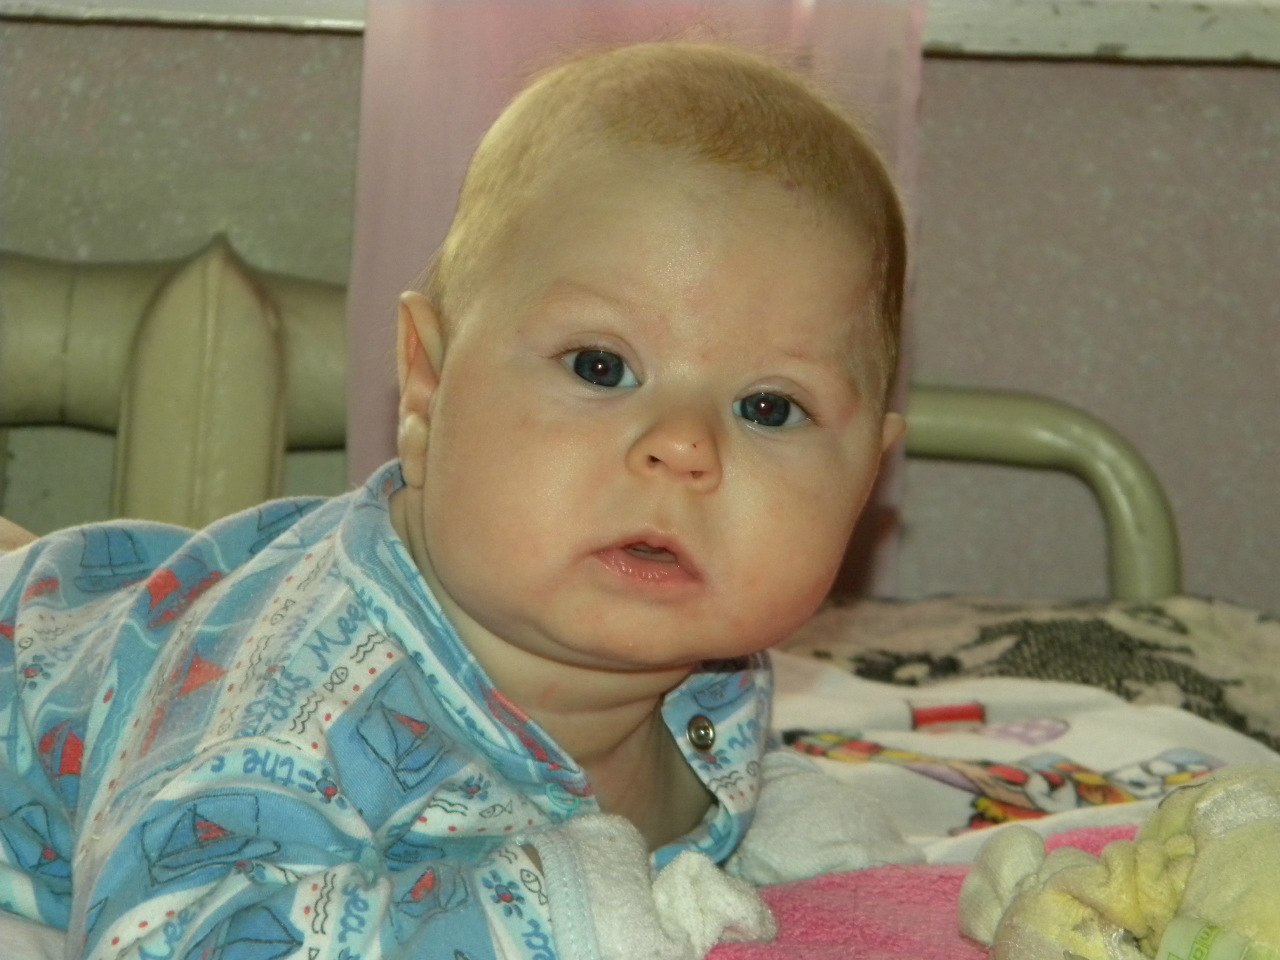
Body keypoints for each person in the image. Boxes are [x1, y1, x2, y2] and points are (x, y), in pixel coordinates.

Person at [0, 40, 905, 959]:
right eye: (601, 366)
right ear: (428, 391)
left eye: (768, 408)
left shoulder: (713, 670)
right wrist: (553, 918)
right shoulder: (311, 708)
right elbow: (174, 934)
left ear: (867, 475)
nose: (685, 446)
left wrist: (777, 832)